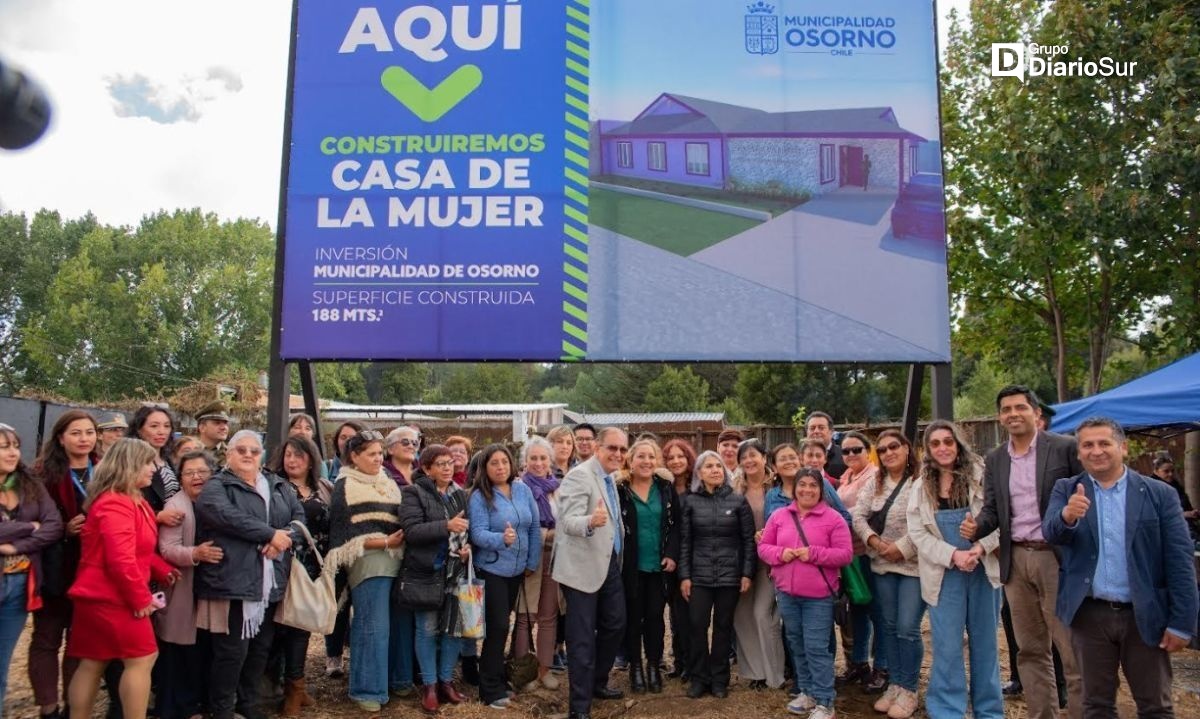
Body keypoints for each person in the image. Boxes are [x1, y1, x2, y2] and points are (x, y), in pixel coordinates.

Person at [1044, 417, 1199, 718]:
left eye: (1104, 443)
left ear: (1123, 448)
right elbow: (1051, 533)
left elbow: (1180, 561)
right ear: (1078, 453)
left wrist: (1183, 623)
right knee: (1096, 706)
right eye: (1087, 445)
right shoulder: (1067, 489)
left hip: (1145, 615)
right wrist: (1067, 516)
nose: (1096, 450)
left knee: (1155, 706)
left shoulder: (1160, 495)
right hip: (1089, 615)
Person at [961, 384, 1084, 719]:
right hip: (1014, 559)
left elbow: (1087, 501)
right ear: (1000, 418)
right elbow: (992, 510)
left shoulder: (1065, 448)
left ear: (1036, 413)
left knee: (1071, 647)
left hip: (1057, 558)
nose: (1013, 414)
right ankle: (1041, 713)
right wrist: (978, 527)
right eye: (1006, 409)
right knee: (1030, 649)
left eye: (1020, 407)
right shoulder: (996, 458)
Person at [65, 438, 181, 719]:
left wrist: (160, 568)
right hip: (111, 598)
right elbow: (120, 559)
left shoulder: (131, 500)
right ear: (129, 466)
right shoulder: (116, 504)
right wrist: (139, 597)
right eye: (146, 463)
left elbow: (136, 549)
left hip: (102, 596)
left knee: (93, 662)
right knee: (143, 658)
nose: (153, 469)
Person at [193, 430, 304, 719]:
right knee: (231, 654)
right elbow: (221, 514)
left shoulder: (277, 485)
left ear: (262, 456)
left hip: (269, 582)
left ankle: (249, 705)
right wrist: (269, 534)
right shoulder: (218, 485)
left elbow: (298, 518)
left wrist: (285, 538)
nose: (247, 455)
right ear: (228, 454)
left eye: (254, 451)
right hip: (233, 581)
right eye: (240, 449)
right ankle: (222, 710)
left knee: (259, 651)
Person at [907, 421, 1002, 719]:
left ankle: (988, 709)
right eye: (935, 443)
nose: (943, 448)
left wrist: (980, 547)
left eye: (948, 441)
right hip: (944, 572)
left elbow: (1003, 520)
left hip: (982, 569)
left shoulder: (983, 476)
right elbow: (918, 533)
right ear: (928, 450)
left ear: (959, 443)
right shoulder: (922, 485)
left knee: (985, 643)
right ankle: (947, 709)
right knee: (947, 644)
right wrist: (953, 555)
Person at [324, 429, 410, 713]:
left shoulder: (387, 482)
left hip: (397, 559)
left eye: (379, 453)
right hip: (369, 562)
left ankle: (395, 680)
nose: (378, 459)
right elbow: (342, 536)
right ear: (354, 456)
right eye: (371, 454)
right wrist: (384, 541)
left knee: (397, 625)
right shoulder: (345, 485)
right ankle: (366, 688)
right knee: (373, 627)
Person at [760, 468, 852, 719]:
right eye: (802, 485)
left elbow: (845, 554)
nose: (807, 490)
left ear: (821, 490)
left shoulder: (833, 518)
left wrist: (815, 553)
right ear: (795, 488)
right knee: (797, 644)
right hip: (788, 595)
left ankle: (825, 701)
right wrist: (780, 554)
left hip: (819, 597)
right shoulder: (779, 516)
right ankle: (808, 691)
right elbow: (764, 547)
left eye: (813, 485)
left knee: (816, 647)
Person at [552, 427, 630, 719]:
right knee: (582, 638)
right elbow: (567, 520)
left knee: (615, 623)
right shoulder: (580, 475)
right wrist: (590, 521)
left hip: (608, 564)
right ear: (598, 447)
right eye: (612, 448)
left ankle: (597, 682)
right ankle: (580, 708)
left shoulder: (609, 477)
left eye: (623, 450)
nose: (618, 454)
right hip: (580, 567)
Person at [30, 409, 101, 719]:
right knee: (47, 638)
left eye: (89, 432)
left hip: (93, 569)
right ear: (60, 437)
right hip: (54, 567)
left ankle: (76, 705)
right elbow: (29, 520)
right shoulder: (42, 474)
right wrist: (63, 528)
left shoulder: (104, 469)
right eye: (76, 433)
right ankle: (48, 707)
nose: (84, 438)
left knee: (79, 642)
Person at [851, 429, 923, 719]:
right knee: (889, 626)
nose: (888, 452)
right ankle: (895, 684)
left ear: (907, 449)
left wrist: (903, 548)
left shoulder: (921, 482)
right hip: (881, 563)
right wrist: (875, 542)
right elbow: (858, 515)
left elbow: (929, 519)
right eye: (882, 450)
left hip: (913, 566)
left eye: (894, 446)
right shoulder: (875, 482)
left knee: (907, 627)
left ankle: (909, 688)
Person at [468, 444, 542, 709]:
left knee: (504, 625)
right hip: (492, 569)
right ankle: (489, 689)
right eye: (494, 463)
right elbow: (477, 533)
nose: (500, 467)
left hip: (518, 570)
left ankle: (499, 680)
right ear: (484, 469)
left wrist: (531, 561)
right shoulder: (480, 496)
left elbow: (534, 527)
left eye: (504, 462)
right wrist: (502, 538)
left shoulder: (522, 490)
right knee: (497, 626)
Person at [400, 444, 471, 712]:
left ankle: (446, 682)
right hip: (426, 571)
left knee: (454, 629)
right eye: (440, 463)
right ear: (427, 469)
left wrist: (468, 548)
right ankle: (429, 686)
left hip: (457, 571)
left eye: (450, 462)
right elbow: (412, 531)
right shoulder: (413, 493)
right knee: (427, 629)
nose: (447, 467)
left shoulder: (460, 495)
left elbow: (469, 529)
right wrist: (446, 526)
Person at [266, 436, 332, 717]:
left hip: (311, 567)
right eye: (288, 455)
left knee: (300, 627)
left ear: (311, 459)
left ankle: (297, 686)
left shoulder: (324, 487)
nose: (292, 460)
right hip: (280, 564)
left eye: (299, 455)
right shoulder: (274, 486)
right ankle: (276, 687)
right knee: (276, 628)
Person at [679, 450, 753, 700]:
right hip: (698, 576)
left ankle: (720, 679)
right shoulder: (690, 501)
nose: (715, 470)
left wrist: (746, 573)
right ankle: (700, 678)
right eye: (709, 466)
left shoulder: (738, 500)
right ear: (699, 472)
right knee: (697, 625)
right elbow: (685, 541)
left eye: (719, 466)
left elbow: (747, 541)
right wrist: (685, 576)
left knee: (723, 627)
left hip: (729, 576)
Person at [0, 426, 64, 713]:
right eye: (3, 446)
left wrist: (16, 545)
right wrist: (28, 526)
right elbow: (39, 526)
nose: (12, 451)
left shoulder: (29, 483)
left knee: (1, 665)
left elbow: (53, 526)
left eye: (15, 445)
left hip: (20, 585)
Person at [155, 451, 223, 719]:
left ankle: (202, 704)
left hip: (212, 590)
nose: (196, 477)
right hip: (183, 591)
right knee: (181, 654)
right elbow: (167, 550)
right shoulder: (176, 507)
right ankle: (180, 709)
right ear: (180, 478)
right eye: (189, 472)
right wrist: (196, 554)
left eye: (202, 472)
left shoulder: (218, 502)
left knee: (206, 651)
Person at [617, 438, 680, 694]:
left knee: (655, 618)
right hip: (630, 567)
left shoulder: (665, 488)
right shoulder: (620, 489)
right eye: (640, 456)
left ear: (657, 462)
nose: (646, 461)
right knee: (632, 619)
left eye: (651, 457)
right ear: (630, 460)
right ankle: (635, 668)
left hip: (658, 566)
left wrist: (672, 554)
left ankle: (653, 665)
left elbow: (675, 525)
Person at [731, 438, 787, 690]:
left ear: (765, 458)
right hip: (742, 561)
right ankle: (755, 672)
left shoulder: (778, 487)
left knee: (762, 615)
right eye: (744, 457)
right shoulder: (734, 489)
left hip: (770, 562)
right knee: (742, 615)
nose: (749, 460)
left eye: (753, 455)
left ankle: (775, 673)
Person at [834, 431, 887, 692]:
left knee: (877, 611)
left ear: (868, 451)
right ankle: (858, 663)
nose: (851, 454)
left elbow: (872, 508)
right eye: (846, 451)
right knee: (858, 610)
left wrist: (838, 517)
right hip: (850, 552)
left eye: (856, 449)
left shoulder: (875, 476)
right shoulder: (846, 478)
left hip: (869, 551)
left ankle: (882, 667)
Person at [513, 437, 563, 690]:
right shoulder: (519, 488)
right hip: (529, 556)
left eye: (543, 458)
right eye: (533, 458)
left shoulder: (558, 488)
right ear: (525, 461)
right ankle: (523, 673)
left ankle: (545, 669)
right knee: (525, 615)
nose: (538, 462)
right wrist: (547, 535)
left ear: (550, 461)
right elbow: (521, 524)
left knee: (548, 616)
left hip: (555, 557)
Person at [321, 420, 365, 678]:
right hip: (335, 546)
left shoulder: (370, 471)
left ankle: (357, 655)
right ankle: (333, 656)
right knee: (336, 606)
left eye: (353, 436)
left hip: (362, 548)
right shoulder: (328, 469)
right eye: (343, 436)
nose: (347, 441)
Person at [660, 438, 696, 679]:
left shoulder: (698, 488)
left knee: (688, 614)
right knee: (674, 611)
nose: (675, 461)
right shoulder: (663, 488)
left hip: (693, 557)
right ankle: (680, 661)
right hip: (668, 556)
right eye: (670, 457)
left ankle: (693, 664)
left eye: (680, 456)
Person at [126, 405, 183, 523]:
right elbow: (126, 504)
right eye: (154, 426)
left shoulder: (168, 459)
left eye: (167, 426)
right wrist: (157, 516)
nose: (161, 431)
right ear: (139, 429)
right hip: (146, 529)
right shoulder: (130, 462)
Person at [805, 412, 846, 480]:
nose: (816, 431)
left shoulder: (845, 456)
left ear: (831, 431)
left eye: (821, 428)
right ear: (807, 432)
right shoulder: (798, 458)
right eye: (812, 428)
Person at [194, 401, 231, 467]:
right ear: (202, 427)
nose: (224, 427)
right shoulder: (190, 451)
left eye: (225, 423)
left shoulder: (231, 455)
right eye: (217, 423)